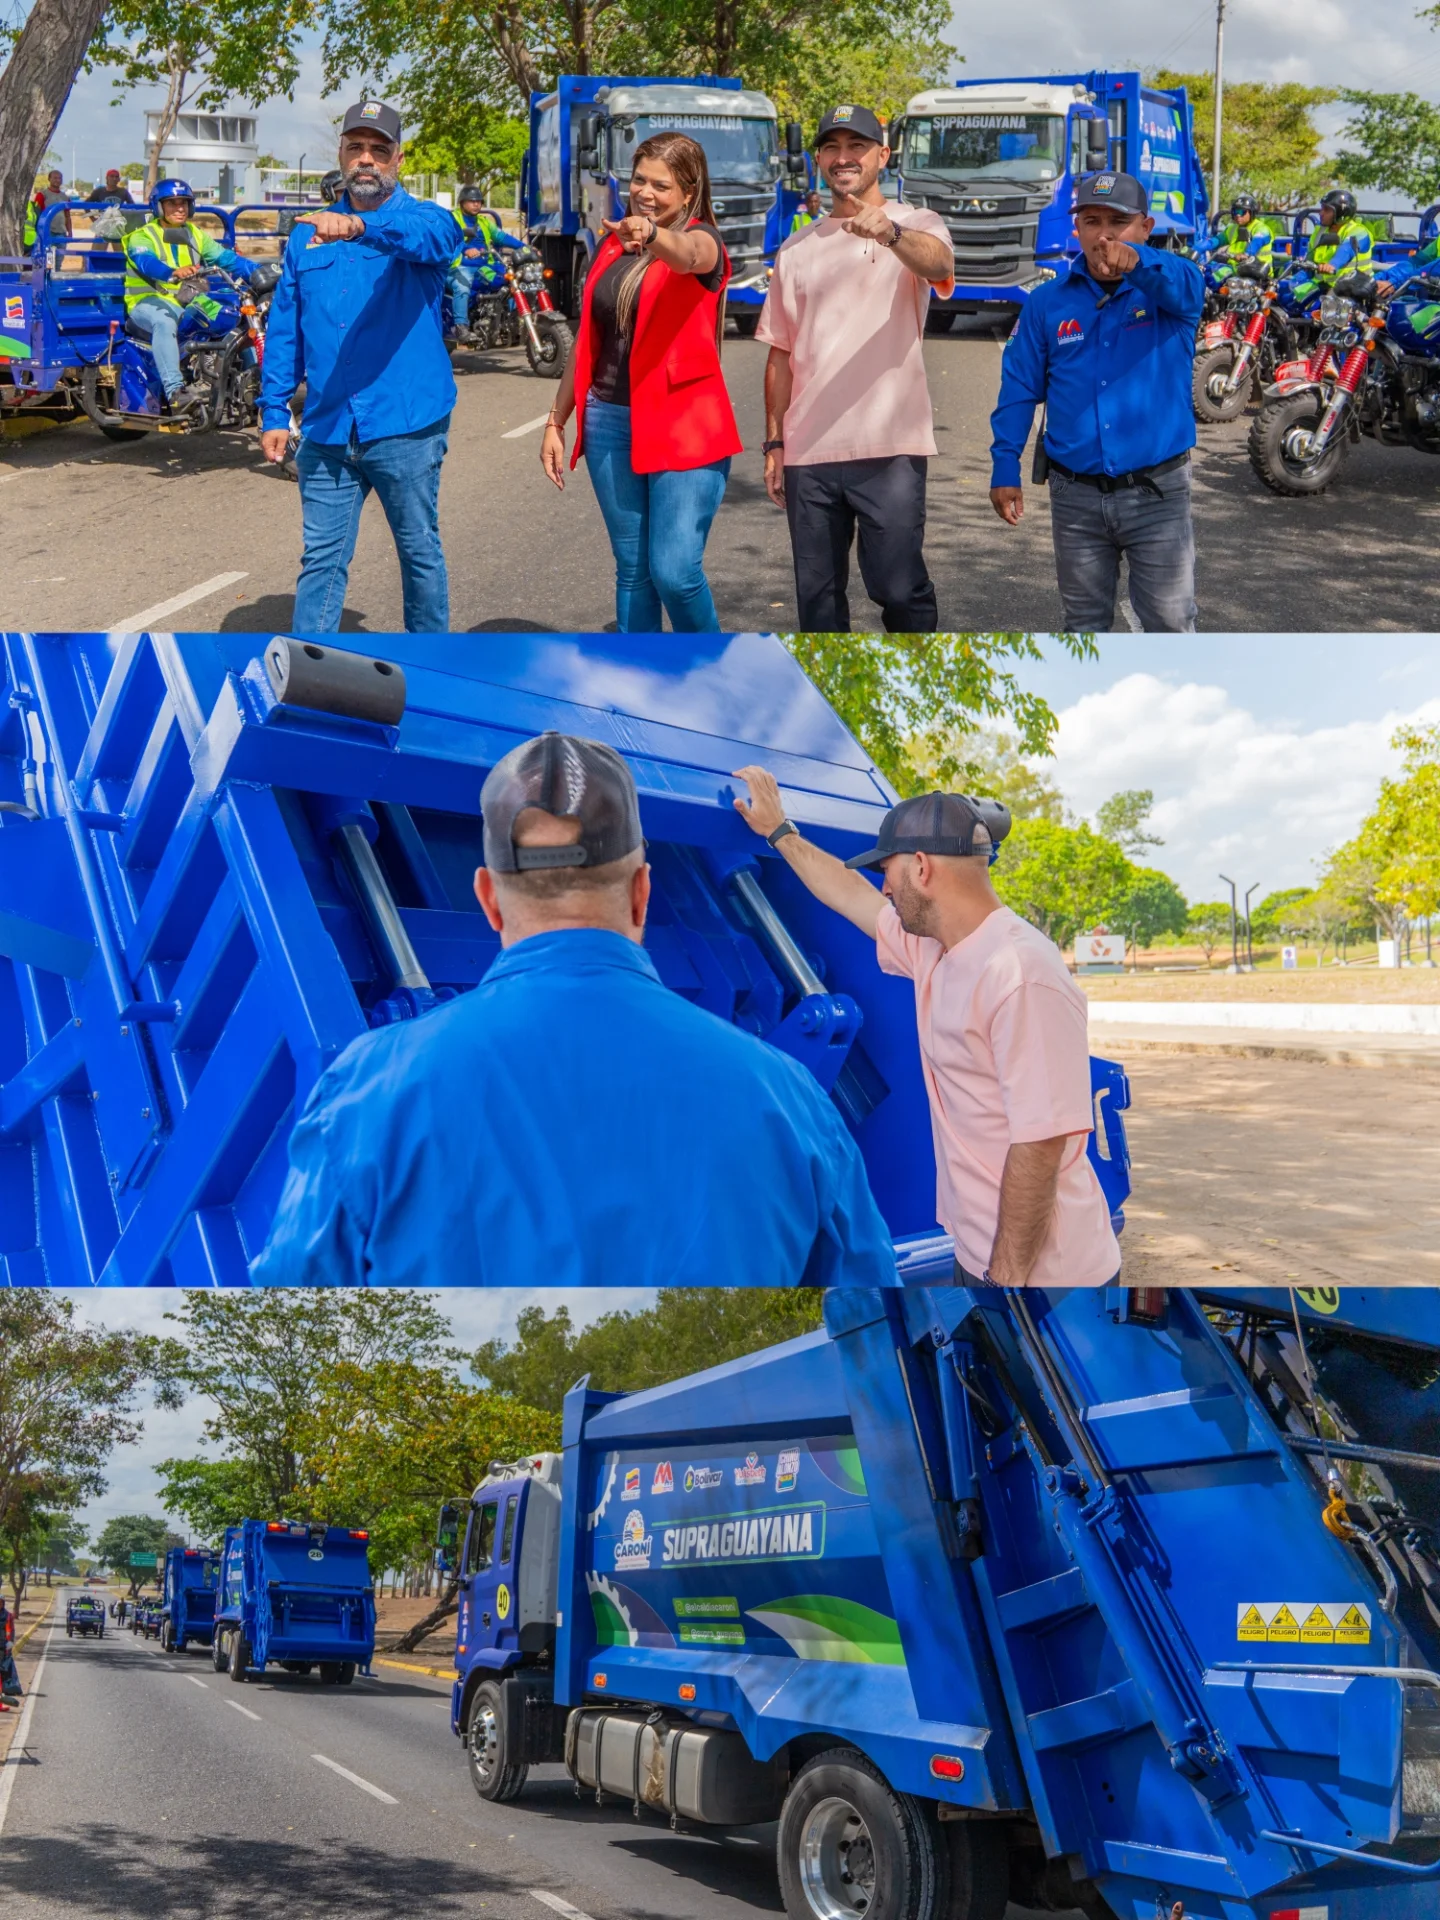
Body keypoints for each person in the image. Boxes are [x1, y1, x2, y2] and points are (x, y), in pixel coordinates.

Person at [253, 731, 898, 1290]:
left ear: (488, 898)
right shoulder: (792, 1100)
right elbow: (872, 1328)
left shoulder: (370, 1091)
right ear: (642, 892)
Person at [733, 768, 1121, 1291]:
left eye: (888, 871)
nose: (884, 887)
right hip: (980, 1252)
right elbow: (849, 893)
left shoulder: (1020, 973)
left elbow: (1041, 1143)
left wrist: (1005, 1284)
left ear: (921, 867)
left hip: (1046, 1276)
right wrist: (780, 832)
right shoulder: (933, 948)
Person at [259, 100, 458, 634]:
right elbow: (286, 328)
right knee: (320, 560)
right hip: (327, 427)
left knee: (418, 550)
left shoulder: (425, 220)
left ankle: (430, 662)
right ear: (342, 155)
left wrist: (356, 227)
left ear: (397, 159)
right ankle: (310, 667)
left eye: (378, 149)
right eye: (356, 147)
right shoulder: (306, 234)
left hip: (405, 424)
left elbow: (433, 240)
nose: (366, 159)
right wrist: (274, 409)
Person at [757, 105, 955, 633]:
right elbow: (781, 352)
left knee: (899, 589)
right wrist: (774, 442)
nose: (843, 157)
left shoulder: (917, 223)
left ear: (882, 156)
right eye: (832, 147)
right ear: (819, 159)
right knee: (818, 601)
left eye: (857, 146)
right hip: (809, 452)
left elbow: (939, 264)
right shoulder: (795, 249)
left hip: (890, 447)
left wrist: (891, 233)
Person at [989, 169, 1204, 634]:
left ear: (1146, 227)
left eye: (1118, 221)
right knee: (1084, 627)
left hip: (1157, 494)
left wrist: (1139, 262)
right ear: (1077, 229)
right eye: (1091, 221)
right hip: (1075, 497)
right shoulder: (1047, 302)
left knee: (1169, 624)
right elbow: (1019, 387)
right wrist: (1005, 463)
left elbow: (1185, 281)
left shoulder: (1173, 291)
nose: (1104, 235)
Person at [541, 133, 741, 632]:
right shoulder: (613, 245)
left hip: (683, 426)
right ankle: (639, 669)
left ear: (689, 192)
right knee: (633, 572)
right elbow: (588, 340)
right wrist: (556, 420)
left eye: (661, 185)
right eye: (638, 180)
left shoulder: (704, 240)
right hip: (608, 419)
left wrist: (651, 234)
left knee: (675, 572)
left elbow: (688, 256)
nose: (645, 193)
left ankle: (709, 665)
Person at [123, 178, 257, 414]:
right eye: (172, 203)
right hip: (149, 301)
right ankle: (175, 392)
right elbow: (146, 262)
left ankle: (251, 382)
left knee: (234, 318)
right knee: (165, 323)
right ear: (158, 206)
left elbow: (226, 258)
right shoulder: (142, 236)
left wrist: (262, 272)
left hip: (189, 299)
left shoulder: (195, 234)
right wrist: (171, 272)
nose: (180, 208)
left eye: (184, 203)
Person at [448, 184, 523, 342]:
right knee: (462, 286)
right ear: (462, 203)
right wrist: (465, 249)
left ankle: (512, 323)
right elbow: (450, 239)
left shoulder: (484, 222)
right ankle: (461, 328)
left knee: (511, 279)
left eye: (479, 201)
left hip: (484, 266)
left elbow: (502, 237)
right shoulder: (452, 220)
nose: (476, 204)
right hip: (460, 266)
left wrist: (525, 247)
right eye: (471, 201)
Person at [1206, 193, 1274, 281]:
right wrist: (1202, 246)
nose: (1238, 215)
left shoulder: (1261, 228)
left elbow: (1257, 242)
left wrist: (1246, 254)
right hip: (1235, 271)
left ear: (1251, 212)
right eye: (1235, 212)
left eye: (1242, 212)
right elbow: (1218, 240)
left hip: (1258, 273)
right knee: (1208, 276)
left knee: (1215, 279)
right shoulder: (1232, 228)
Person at [23, 168, 72, 254]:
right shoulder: (42, 195)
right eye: (55, 178)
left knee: (59, 257)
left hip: (61, 233)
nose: (57, 180)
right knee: (47, 257)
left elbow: (67, 216)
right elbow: (37, 214)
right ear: (49, 179)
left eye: (60, 178)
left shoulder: (65, 197)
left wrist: (70, 232)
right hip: (47, 232)